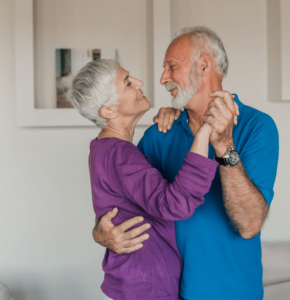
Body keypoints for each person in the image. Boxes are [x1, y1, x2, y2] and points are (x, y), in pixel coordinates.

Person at [93, 26, 279, 300]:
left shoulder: (258, 127)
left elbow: (250, 225)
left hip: (232, 292)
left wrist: (225, 146)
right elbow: (125, 201)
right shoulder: (158, 134)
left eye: (171, 66)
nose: (162, 78)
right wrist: (100, 234)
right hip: (165, 291)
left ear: (203, 65)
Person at [69, 59, 232, 300]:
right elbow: (176, 204)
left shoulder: (104, 149)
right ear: (109, 111)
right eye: (127, 83)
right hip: (147, 287)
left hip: (136, 283)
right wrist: (206, 131)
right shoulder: (118, 154)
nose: (139, 82)